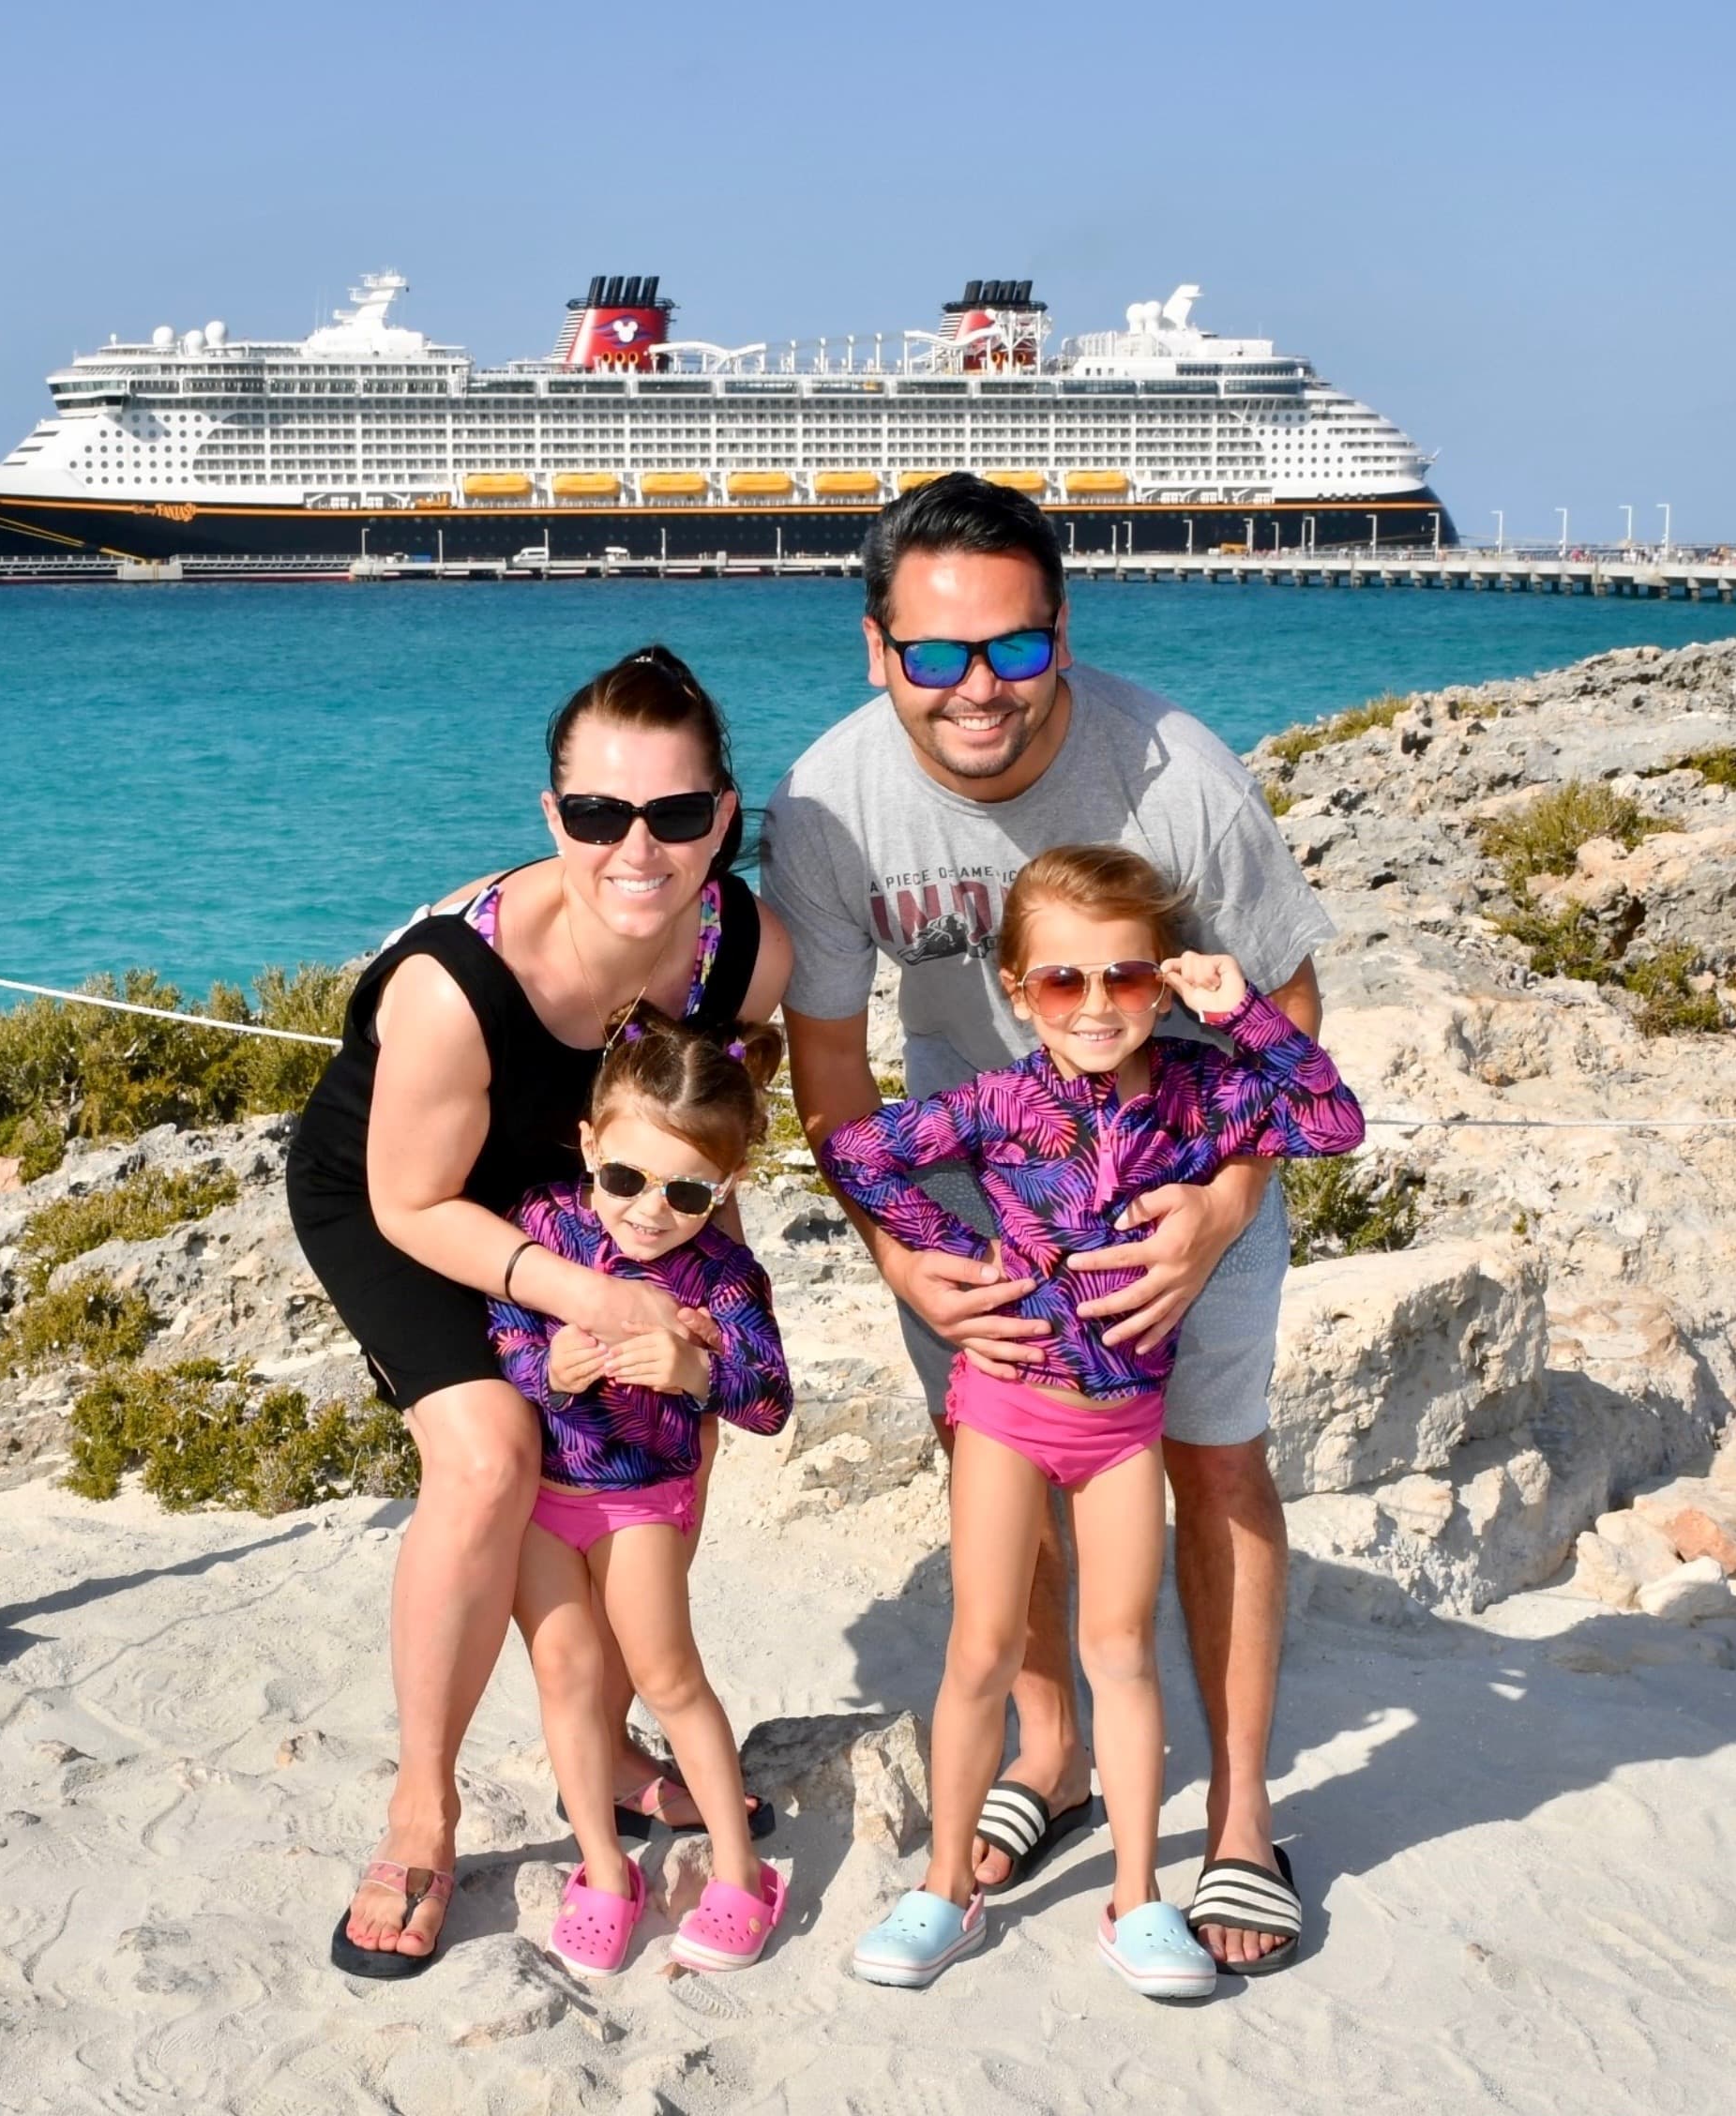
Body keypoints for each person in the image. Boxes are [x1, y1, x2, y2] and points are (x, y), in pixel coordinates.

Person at [761, 475, 1338, 1971]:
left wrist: (1219, 1211)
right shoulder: (829, 803)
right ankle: (1051, 1750)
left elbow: (1288, 1004)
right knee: (993, 1463)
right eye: (937, 653)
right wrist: (901, 1249)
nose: (979, 688)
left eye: (1014, 648)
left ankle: (1239, 1821)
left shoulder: (1177, 775)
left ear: (1062, 635)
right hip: (976, 1184)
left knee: (1217, 1462)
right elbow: (829, 1057)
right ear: (878, 649)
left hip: (1195, 1158)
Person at [286, 645, 792, 1977]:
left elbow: (704, 1143)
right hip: (411, 1202)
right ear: (552, 813)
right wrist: (593, 1296)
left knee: (664, 1433)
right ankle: (423, 1807)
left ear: (723, 818)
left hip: (605, 1195)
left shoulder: (742, 951)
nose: (637, 849)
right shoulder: (453, 983)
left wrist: (707, 1320)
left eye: (674, 814)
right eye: (599, 813)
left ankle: (608, 1737)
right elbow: (409, 1202)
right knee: (491, 1458)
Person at [823, 847, 1363, 1994]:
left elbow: (1331, 1120)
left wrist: (1244, 1012)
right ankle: (944, 1890)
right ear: (1019, 991)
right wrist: (956, 1261)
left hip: (1123, 1425)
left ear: (1162, 981)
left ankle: (1136, 1899)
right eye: (1065, 981)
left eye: (1127, 976)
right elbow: (859, 1154)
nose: (1098, 1005)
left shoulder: (1206, 1091)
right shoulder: (998, 1100)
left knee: (1121, 1652)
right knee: (980, 1650)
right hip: (1004, 1412)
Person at [493, 1008, 795, 1977]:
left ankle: (742, 1873)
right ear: (590, 1145)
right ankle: (602, 1867)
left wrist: (697, 1375)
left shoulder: (725, 1274)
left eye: (689, 1191)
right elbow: (503, 1336)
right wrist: (549, 1370)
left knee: (667, 1677)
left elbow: (770, 1402)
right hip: (539, 1497)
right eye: (625, 1178)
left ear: (728, 1184)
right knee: (568, 1677)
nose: (650, 1211)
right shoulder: (543, 1225)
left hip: (642, 1504)